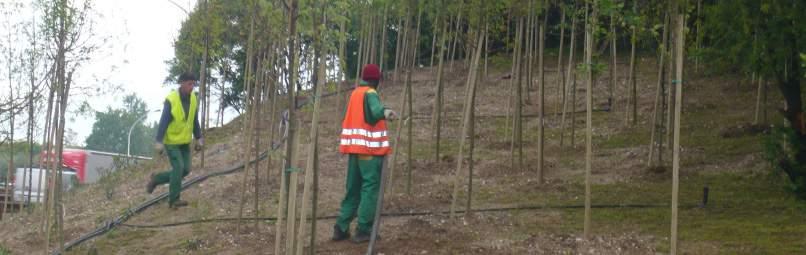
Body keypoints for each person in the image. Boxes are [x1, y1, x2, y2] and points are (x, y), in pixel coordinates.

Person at [333, 64, 397, 243]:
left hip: (354, 150)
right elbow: (376, 110)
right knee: (370, 188)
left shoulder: (354, 93)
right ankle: (364, 229)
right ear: (376, 80)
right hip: (368, 151)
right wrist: (387, 112)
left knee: (353, 189)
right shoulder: (370, 93)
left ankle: (341, 227)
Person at [146, 72, 204, 209]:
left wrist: (199, 138)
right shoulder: (171, 100)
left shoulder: (193, 99)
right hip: (171, 142)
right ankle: (174, 200)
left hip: (184, 142)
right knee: (178, 167)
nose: (192, 87)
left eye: (193, 84)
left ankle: (157, 179)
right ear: (182, 83)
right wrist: (159, 141)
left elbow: (194, 120)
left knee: (186, 169)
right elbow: (163, 121)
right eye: (189, 84)